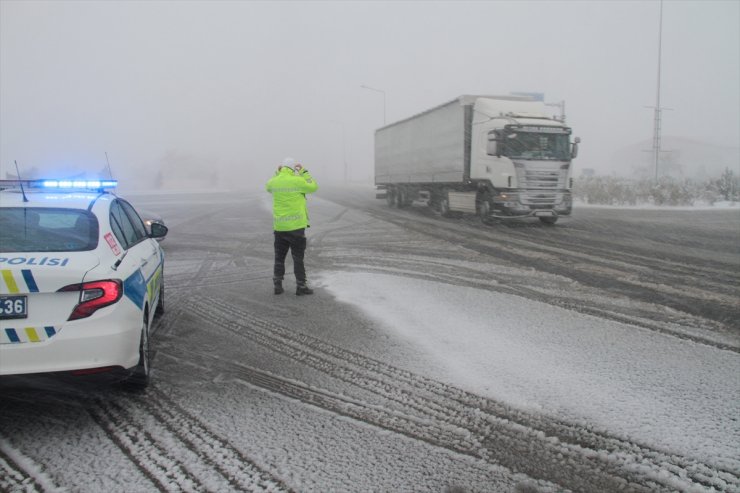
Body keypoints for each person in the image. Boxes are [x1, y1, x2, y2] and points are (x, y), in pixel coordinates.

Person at [265, 157, 318, 295]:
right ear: (293, 169)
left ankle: (277, 284)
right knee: (298, 259)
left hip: (280, 228)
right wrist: (304, 172)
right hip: (296, 228)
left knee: (279, 258)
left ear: (282, 168)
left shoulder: (274, 182)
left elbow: (268, 186)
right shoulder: (298, 180)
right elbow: (313, 186)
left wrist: (277, 173)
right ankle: (301, 287)